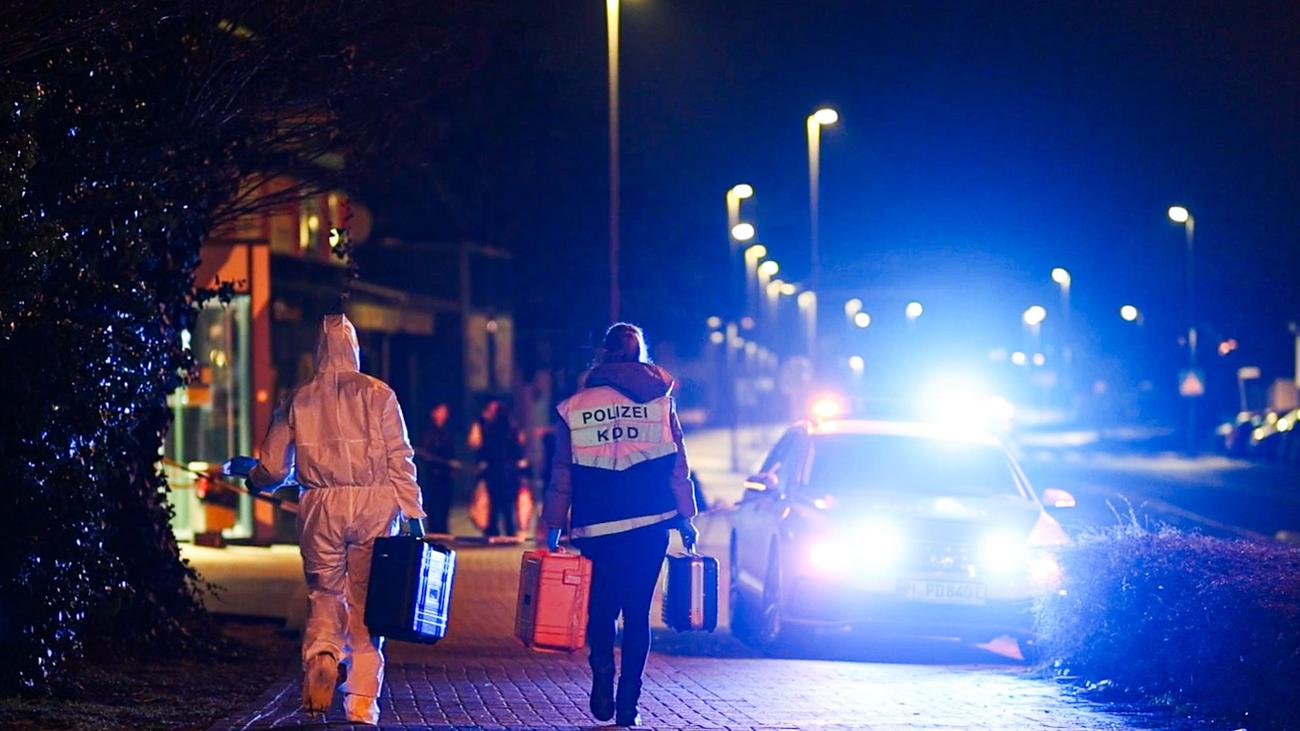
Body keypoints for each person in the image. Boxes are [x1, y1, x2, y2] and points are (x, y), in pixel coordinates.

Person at [248, 314, 424, 725]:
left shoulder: (298, 397)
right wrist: (413, 510)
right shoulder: (379, 394)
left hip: (320, 506)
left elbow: (274, 468)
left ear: (318, 350)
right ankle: (362, 700)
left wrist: (256, 480)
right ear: (354, 348)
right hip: (374, 504)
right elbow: (400, 457)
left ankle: (323, 657)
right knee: (367, 603)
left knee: (325, 593)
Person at [542, 322, 698, 727]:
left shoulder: (575, 407)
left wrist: (554, 524)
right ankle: (629, 704)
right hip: (651, 522)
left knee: (602, 609)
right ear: (639, 354)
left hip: (597, 527)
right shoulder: (660, 404)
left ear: (603, 354)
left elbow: (562, 472)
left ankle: (601, 675)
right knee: (637, 614)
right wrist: (685, 516)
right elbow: (678, 464)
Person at [469, 398, 524, 537]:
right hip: (508, 470)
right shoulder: (511, 427)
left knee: (494, 501)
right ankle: (509, 530)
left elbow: (483, 447)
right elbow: (517, 447)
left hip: (494, 469)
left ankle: (493, 530)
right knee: (507, 502)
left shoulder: (490, 428)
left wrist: (482, 462)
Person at [414, 403, 457, 535]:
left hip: (446, 475)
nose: (444, 415)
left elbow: (451, 451)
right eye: (441, 411)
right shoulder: (428, 432)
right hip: (433, 474)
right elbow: (425, 453)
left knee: (445, 504)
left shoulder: (447, 431)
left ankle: (443, 530)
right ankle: (434, 531)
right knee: (434, 504)